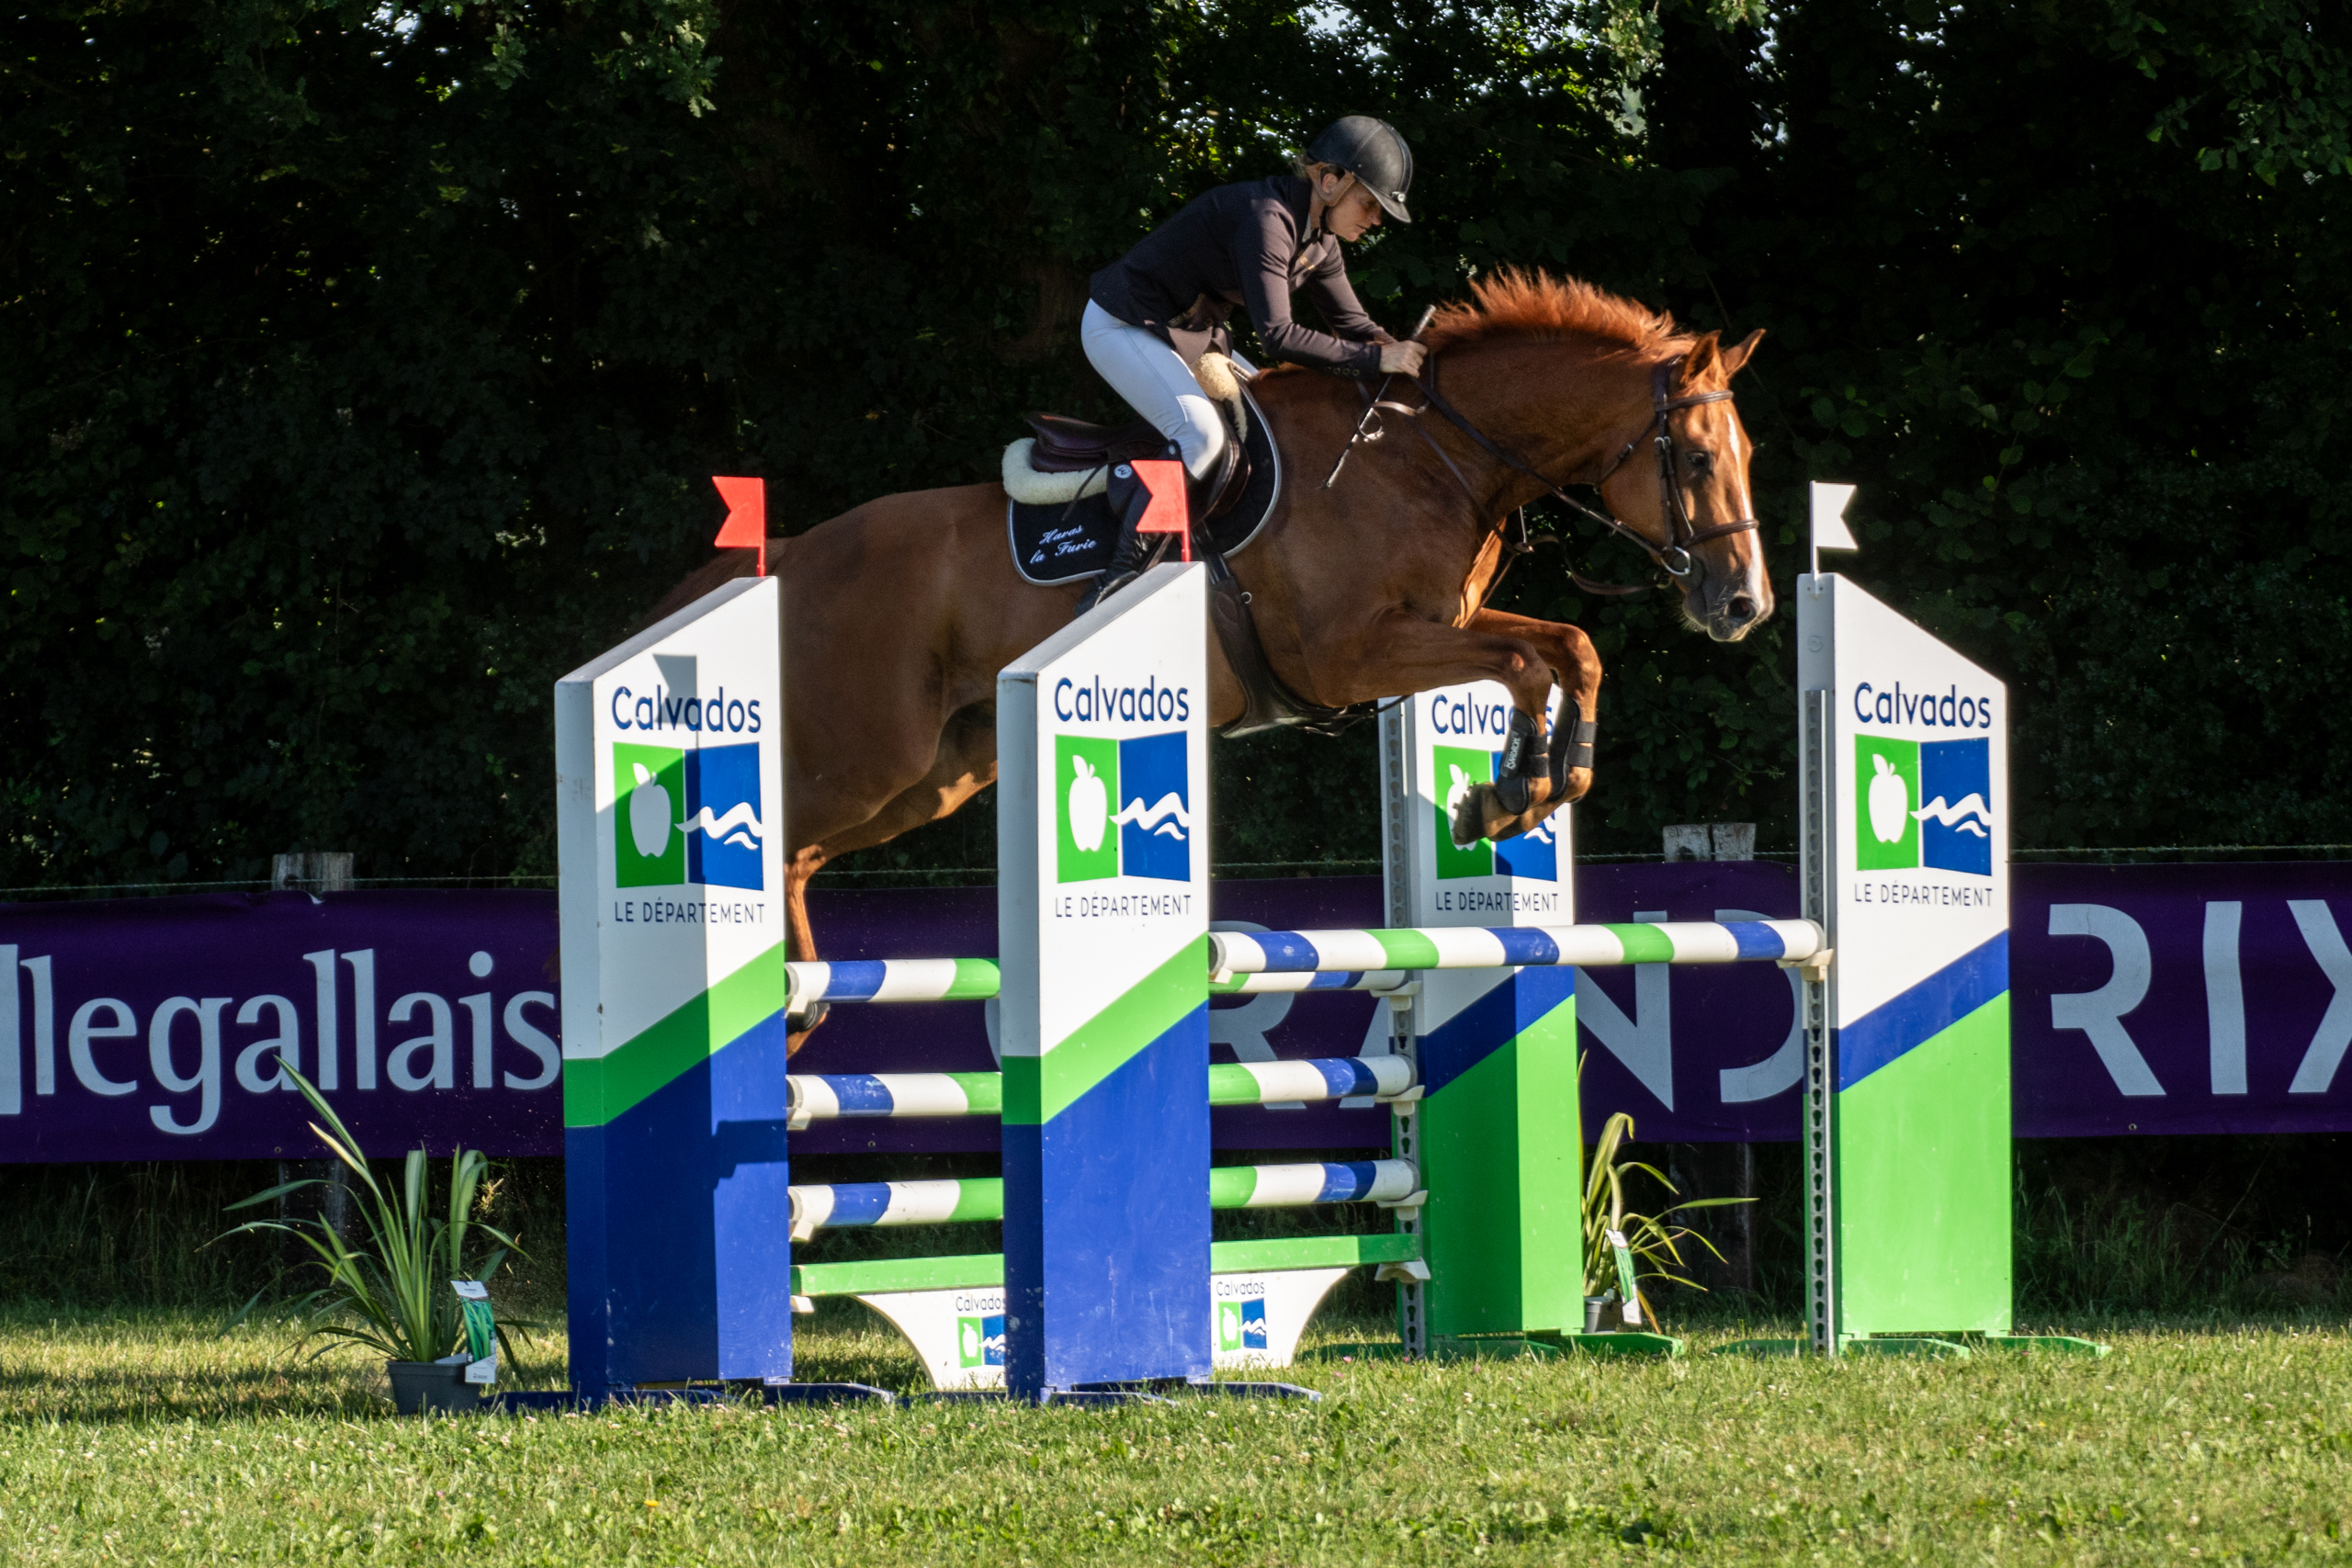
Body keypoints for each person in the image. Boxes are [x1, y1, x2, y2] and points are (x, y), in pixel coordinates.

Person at [1077, 116, 1427, 605]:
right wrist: (1379, 358)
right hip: (1121, 325)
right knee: (1200, 437)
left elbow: (1356, 328)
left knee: (1267, 414)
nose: (1376, 220)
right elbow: (1278, 337)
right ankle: (1116, 583)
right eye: (1370, 203)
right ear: (1330, 181)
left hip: (1183, 336)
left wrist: (1420, 367)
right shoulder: (1266, 219)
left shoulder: (1319, 242)